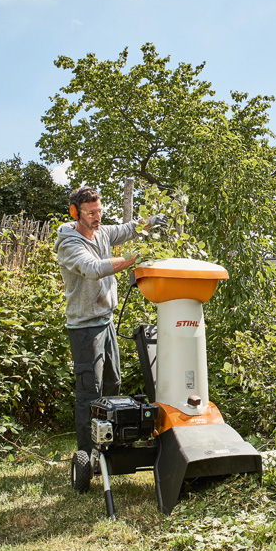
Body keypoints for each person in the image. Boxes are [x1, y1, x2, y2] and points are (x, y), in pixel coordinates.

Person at [54, 186, 166, 453]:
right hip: (84, 327)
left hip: (105, 321)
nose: (97, 217)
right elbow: (93, 269)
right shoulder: (69, 244)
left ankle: (107, 440)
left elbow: (128, 229)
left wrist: (151, 222)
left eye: (99, 211)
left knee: (113, 381)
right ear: (75, 213)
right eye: (91, 213)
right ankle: (87, 452)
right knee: (89, 391)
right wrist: (133, 258)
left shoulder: (102, 232)